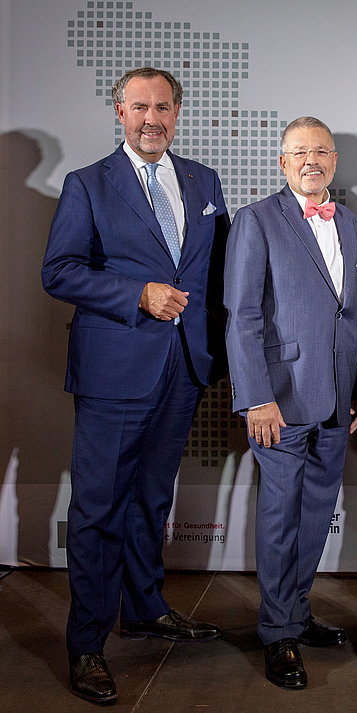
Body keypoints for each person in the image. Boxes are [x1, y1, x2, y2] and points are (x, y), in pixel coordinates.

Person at [41, 66, 229, 705]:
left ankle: (145, 606)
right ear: (119, 112)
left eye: (164, 108)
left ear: (178, 112)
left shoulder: (205, 182)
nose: (153, 119)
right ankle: (87, 643)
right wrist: (134, 294)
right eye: (140, 107)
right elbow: (59, 271)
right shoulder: (87, 184)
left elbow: (217, 276)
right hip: (115, 367)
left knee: (152, 497)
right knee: (98, 509)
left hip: (184, 366)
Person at [224, 117, 357, 689]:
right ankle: (278, 634)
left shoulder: (351, 221)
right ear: (283, 163)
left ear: (334, 162)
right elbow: (242, 315)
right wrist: (256, 396)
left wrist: (353, 389)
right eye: (300, 152)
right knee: (281, 518)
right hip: (278, 400)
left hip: (335, 398)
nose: (312, 160)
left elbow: (352, 312)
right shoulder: (256, 220)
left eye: (322, 152)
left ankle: (296, 613)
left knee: (312, 517)